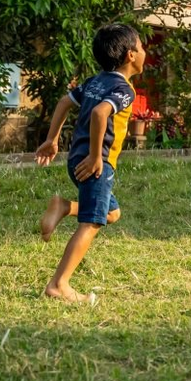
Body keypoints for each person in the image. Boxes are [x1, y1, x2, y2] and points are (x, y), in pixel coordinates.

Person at [35, 23, 146, 303]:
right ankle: (59, 285)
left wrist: (52, 140)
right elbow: (100, 113)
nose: (145, 52)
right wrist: (97, 156)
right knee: (91, 223)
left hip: (75, 158)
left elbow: (64, 102)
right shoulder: (124, 89)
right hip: (95, 164)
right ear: (131, 55)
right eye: (142, 47)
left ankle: (64, 206)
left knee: (112, 213)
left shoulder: (96, 81)